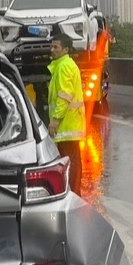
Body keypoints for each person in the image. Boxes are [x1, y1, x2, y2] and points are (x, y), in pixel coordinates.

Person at [47, 32, 86, 191]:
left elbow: (64, 96)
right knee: (72, 159)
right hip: (69, 123)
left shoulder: (63, 67)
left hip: (67, 124)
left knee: (70, 160)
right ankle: (73, 190)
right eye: (51, 46)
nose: (52, 50)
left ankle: (74, 192)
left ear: (65, 49)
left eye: (56, 47)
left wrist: (55, 119)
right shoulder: (64, 65)